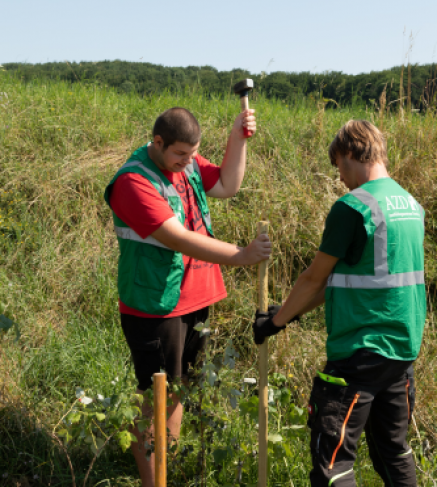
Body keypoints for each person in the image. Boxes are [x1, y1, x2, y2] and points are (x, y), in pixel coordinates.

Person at [253, 119, 426, 487]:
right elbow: (342, 281)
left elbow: (313, 277)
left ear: (349, 153)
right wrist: (289, 313)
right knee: (392, 452)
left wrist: (274, 323)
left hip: (359, 352)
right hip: (401, 350)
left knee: (334, 464)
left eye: (338, 167)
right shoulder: (410, 204)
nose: (340, 178)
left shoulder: (353, 207)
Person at [105, 106, 271, 487]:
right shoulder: (134, 182)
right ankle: (154, 480)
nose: (187, 163)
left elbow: (227, 185)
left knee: (178, 389)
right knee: (154, 399)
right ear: (158, 143)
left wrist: (237, 137)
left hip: (195, 298)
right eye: (180, 154)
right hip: (155, 305)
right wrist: (241, 256)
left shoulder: (186, 161)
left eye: (193, 154)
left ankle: (165, 470)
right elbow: (175, 237)